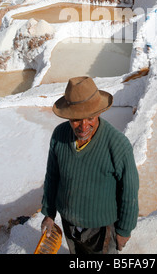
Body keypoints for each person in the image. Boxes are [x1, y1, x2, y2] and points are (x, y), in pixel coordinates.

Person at [40, 76, 139, 254]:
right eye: (76, 119)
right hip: (68, 223)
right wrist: (49, 213)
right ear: (68, 117)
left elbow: (129, 190)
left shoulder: (117, 145)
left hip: (101, 227)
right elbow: (52, 177)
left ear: (99, 113)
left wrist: (124, 230)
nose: (84, 126)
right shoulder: (59, 136)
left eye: (90, 118)